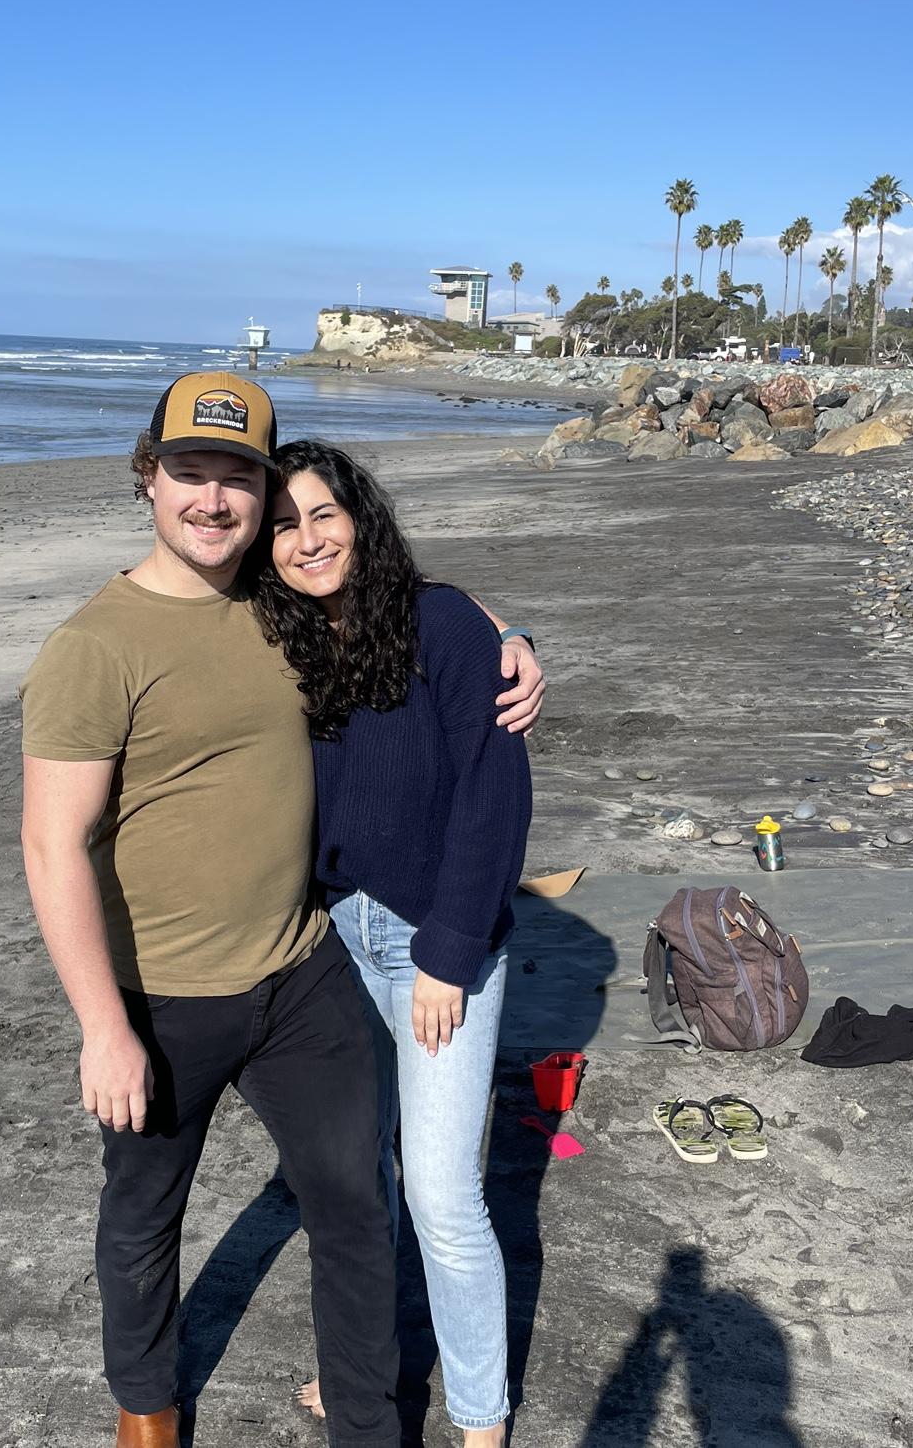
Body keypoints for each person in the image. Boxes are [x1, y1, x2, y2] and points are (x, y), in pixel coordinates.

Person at [19, 372, 543, 1448]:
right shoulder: (101, 645)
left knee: (366, 1204)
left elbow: (408, 602)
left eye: (237, 480)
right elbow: (49, 843)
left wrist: (511, 632)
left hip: (306, 969)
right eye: (190, 472)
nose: (214, 500)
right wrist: (103, 1028)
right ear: (148, 478)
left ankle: (381, 1420)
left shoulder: (274, 610)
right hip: (169, 989)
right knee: (144, 1216)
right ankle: (147, 1414)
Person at [251, 441, 531, 1447]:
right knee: (355, 1176)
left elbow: (494, 798)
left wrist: (449, 955)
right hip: (328, 935)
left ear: (359, 518)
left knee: (441, 1192)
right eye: (284, 525)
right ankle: (364, 1371)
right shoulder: (273, 637)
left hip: (435, 936)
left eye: (323, 514)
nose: (307, 540)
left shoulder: (439, 625)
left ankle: (480, 1419)